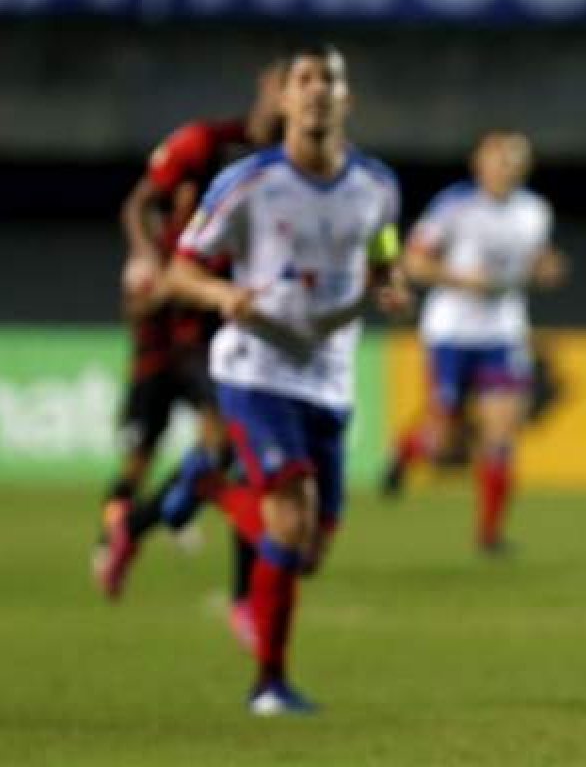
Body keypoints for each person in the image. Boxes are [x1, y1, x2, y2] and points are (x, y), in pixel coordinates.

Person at [167, 43, 408, 714]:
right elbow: (180, 270)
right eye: (304, 80)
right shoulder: (247, 183)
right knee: (289, 509)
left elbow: (384, 252)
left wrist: (391, 284)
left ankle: (212, 485)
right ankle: (267, 685)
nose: (317, 92)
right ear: (285, 98)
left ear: (345, 98)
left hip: (328, 374)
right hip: (257, 366)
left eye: (329, 80)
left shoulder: (377, 187)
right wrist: (221, 299)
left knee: (307, 550)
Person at [94, 61, 285, 643]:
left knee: (236, 458)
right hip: (181, 326)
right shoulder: (207, 144)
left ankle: (150, 525)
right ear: (271, 85)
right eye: (297, 82)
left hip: (242, 326)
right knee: (175, 450)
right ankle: (146, 532)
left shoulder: (302, 172)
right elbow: (140, 202)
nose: (311, 97)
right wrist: (147, 259)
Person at [380, 131, 567, 553]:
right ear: (479, 164)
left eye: (514, 160)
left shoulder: (535, 211)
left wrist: (548, 267)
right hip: (452, 331)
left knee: (501, 434)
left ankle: (489, 535)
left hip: (503, 332)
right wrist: (461, 279)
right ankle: (407, 449)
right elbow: (413, 261)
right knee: (446, 443)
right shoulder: (454, 206)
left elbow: (539, 258)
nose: (505, 168)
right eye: (498, 159)